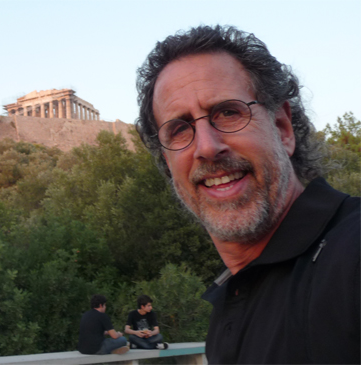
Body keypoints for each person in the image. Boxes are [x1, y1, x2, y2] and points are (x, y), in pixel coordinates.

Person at [135, 25, 360, 364]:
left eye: (228, 112)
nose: (207, 147)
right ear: (168, 164)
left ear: (282, 129)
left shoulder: (351, 254)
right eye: (180, 129)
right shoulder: (231, 302)